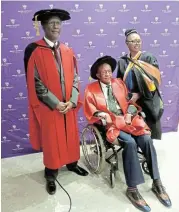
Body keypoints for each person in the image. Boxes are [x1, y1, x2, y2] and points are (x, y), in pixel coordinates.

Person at [84, 56, 171, 212]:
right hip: (111, 123)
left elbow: (131, 103)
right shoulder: (91, 89)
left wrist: (130, 113)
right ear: (97, 74)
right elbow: (91, 109)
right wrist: (101, 115)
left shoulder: (119, 83)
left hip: (128, 119)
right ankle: (132, 189)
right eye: (103, 72)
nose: (107, 74)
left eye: (109, 71)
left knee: (146, 138)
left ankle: (156, 182)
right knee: (130, 143)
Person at [24, 9, 88, 195]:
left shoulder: (67, 51)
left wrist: (73, 100)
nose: (55, 26)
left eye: (58, 23)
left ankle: (72, 163)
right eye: (51, 23)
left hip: (68, 105)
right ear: (43, 26)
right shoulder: (34, 50)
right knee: (52, 141)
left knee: (70, 136)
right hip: (49, 107)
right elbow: (34, 81)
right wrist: (54, 102)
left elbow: (76, 78)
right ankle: (51, 173)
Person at [117, 29, 163, 140]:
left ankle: (147, 147)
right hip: (128, 98)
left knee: (148, 129)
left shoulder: (148, 58)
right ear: (127, 44)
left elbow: (154, 79)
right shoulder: (122, 61)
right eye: (133, 41)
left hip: (146, 97)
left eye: (138, 41)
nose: (137, 43)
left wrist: (139, 94)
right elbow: (119, 82)